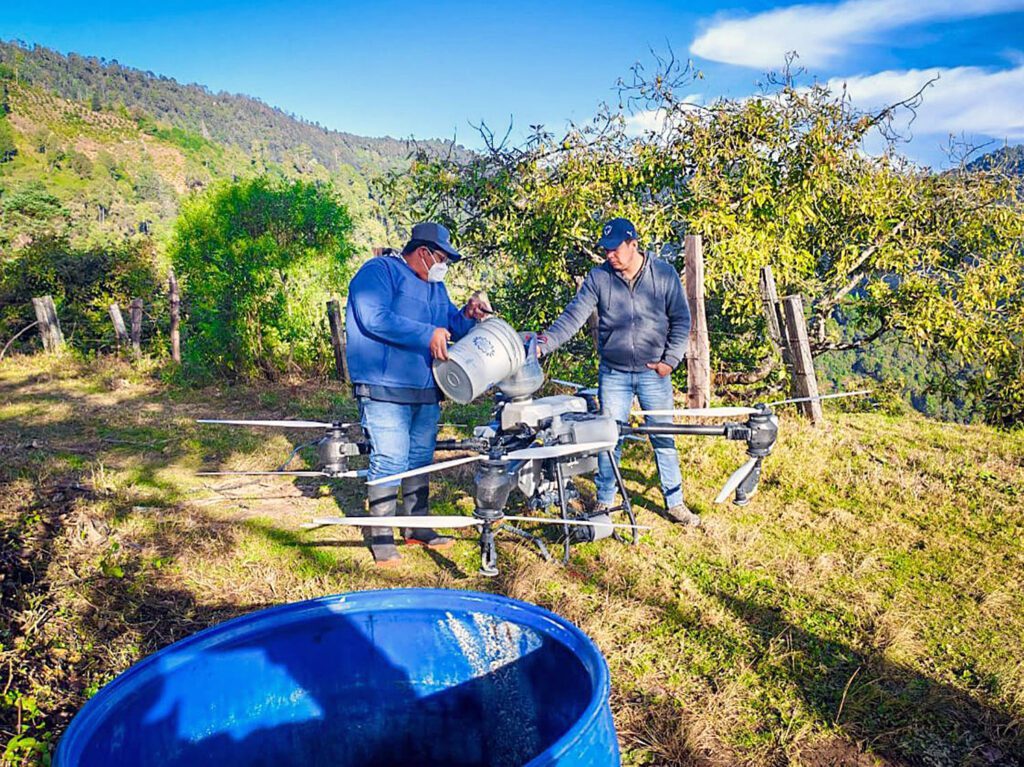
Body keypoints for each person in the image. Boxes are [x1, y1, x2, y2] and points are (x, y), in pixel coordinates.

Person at [535, 218, 699, 526]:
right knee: (609, 439)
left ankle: (675, 502)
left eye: (615, 249)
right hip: (614, 375)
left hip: (655, 374)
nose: (609, 255)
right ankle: (605, 500)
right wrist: (545, 344)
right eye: (606, 250)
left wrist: (670, 361)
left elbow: (681, 319)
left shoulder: (663, 274)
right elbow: (573, 317)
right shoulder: (599, 278)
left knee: (663, 437)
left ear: (633, 244)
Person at [346, 222, 491, 565]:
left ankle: (416, 526)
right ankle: (381, 534)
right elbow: (372, 317)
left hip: (426, 388)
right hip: (384, 386)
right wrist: (426, 334)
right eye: (442, 258)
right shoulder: (380, 271)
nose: (444, 266)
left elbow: (449, 326)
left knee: (420, 458)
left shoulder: (436, 287)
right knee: (390, 459)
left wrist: (468, 315)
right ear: (424, 252)